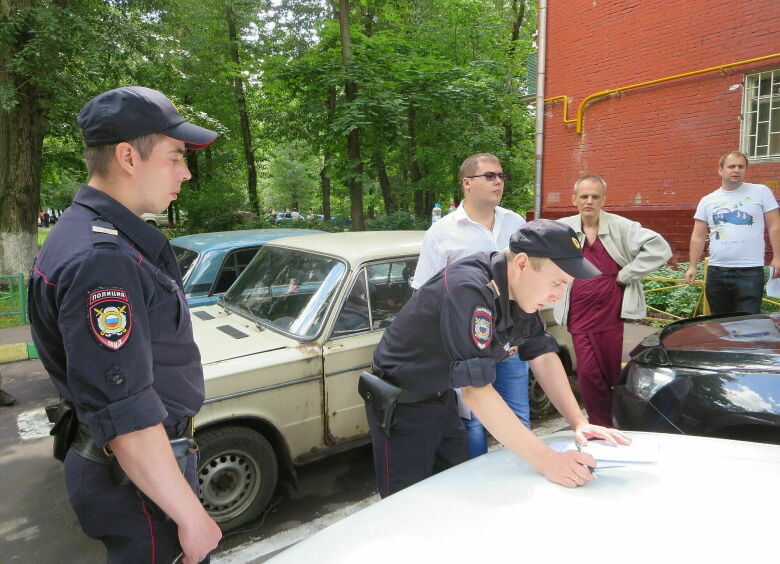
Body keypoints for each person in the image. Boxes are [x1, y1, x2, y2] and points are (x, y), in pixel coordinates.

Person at [28, 86, 221, 564]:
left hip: (134, 472)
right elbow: (124, 410)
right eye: (175, 156)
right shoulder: (103, 260)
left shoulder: (88, 232)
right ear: (128, 156)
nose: (186, 171)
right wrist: (190, 516)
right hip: (138, 481)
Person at [363, 219, 630, 498]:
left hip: (442, 399)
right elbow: (476, 392)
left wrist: (579, 421)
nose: (557, 296)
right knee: (408, 504)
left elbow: (542, 354)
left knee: (456, 491)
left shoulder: (522, 290)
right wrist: (548, 460)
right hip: (403, 407)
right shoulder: (468, 288)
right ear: (523, 263)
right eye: (557, 283)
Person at [412, 153, 530, 458]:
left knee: (518, 418)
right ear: (467, 183)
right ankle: (480, 491)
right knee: (474, 424)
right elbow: (424, 293)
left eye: (501, 176)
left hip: (510, 346)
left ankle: (524, 480)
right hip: (467, 350)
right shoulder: (442, 233)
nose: (498, 182)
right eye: (489, 176)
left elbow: (527, 280)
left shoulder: (515, 223)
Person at [554, 174, 672, 427]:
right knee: (587, 371)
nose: (589, 201)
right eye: (584, 196)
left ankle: (615, 419)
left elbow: (660, 248)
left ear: (604, 200)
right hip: (579, 311)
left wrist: (625, 275)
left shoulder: (621, 226)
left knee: (608, 370)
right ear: (574, 199)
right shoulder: (563, 228)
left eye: (595, 196)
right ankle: (599, 423)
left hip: (610, 309)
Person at [684, 151, 780, 314]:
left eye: (741, 166)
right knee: (720, 326)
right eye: (731, 166)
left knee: (748, 325)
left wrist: (778, 257)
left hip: (749, 271)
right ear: (720, 170)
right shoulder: (707, 200)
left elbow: (774, 226)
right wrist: (692, 266)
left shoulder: (761, 192)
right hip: (717, 272)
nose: (736, 170)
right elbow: (698, 236)